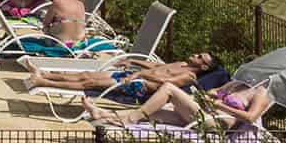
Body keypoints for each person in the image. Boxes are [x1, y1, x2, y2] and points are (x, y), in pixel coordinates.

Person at [84, 80, 275, 143]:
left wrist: (219, 105)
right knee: (153, 112)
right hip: (203, 113)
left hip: (216, 124)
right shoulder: (238, 83)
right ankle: (105, 114)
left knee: (169, 88)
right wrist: (210, 96)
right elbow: (213, 92)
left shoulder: (262, 92)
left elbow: (250, 118)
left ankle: (128, 120)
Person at [27, 52, 224, 100]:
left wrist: (138, 73)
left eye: (200, 57)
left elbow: (165, 81)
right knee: (87, 74)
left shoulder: (189, 77)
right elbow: (156, 66)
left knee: (89, 82)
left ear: (204, 66)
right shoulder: (181, 63)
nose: (196, 54)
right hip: (134, 75)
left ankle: (42, 81)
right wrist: (133, 61)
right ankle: (46, 74)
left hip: (139, 85)